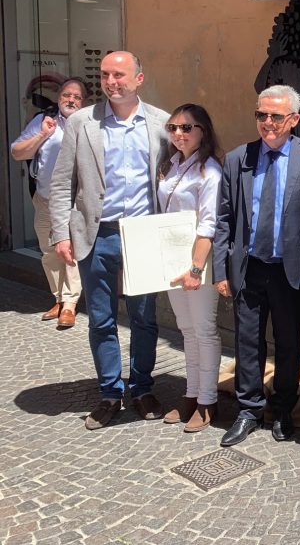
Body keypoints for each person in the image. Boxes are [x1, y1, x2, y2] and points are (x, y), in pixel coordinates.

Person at [48, 51, 171, 429]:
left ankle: (142, 388)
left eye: (119, 75)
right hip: (96, 233)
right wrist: (60, 233)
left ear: (139, 78)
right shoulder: (82, 122)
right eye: (104, 75)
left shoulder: (161, 123)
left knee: (145, 318)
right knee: (100, 319)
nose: (111, 82)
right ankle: (109, 393)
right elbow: (61, 181)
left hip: (143, 234)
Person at [213, 85, 300, 446]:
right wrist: (220, 271)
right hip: (249, 266)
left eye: (276, 116)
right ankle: (249, 409)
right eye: (261, 115)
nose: (267, 122)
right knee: (247, 341)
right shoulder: (238, 158)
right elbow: (224, 218)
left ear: (294, 119)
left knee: (289, 342)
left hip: (288, 268)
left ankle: (284, 407)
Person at [157, 104, 224, 433]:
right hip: (172, 260)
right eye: (173, 128)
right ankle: (191, 393)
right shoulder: (170, 165)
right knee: (186, 330)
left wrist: (196, 270)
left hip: (198, 263)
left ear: (203, 131)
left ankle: (208, 400)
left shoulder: (209, 171)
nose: (179, 134)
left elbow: (208, 225)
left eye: (187, 128)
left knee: (204, 331)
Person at [10, 77, 88, 329]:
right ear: (59, 98)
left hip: (75, 200)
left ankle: (69, 303)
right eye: (67, 95)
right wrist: (43, 135)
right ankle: (57, 297)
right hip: (44, 198)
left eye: (76, 97)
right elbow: (17, 152)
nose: (71, 100)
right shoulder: (44, 121)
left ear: (83, 102)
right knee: (49, 251)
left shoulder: (90, 123)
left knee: (72, 250)